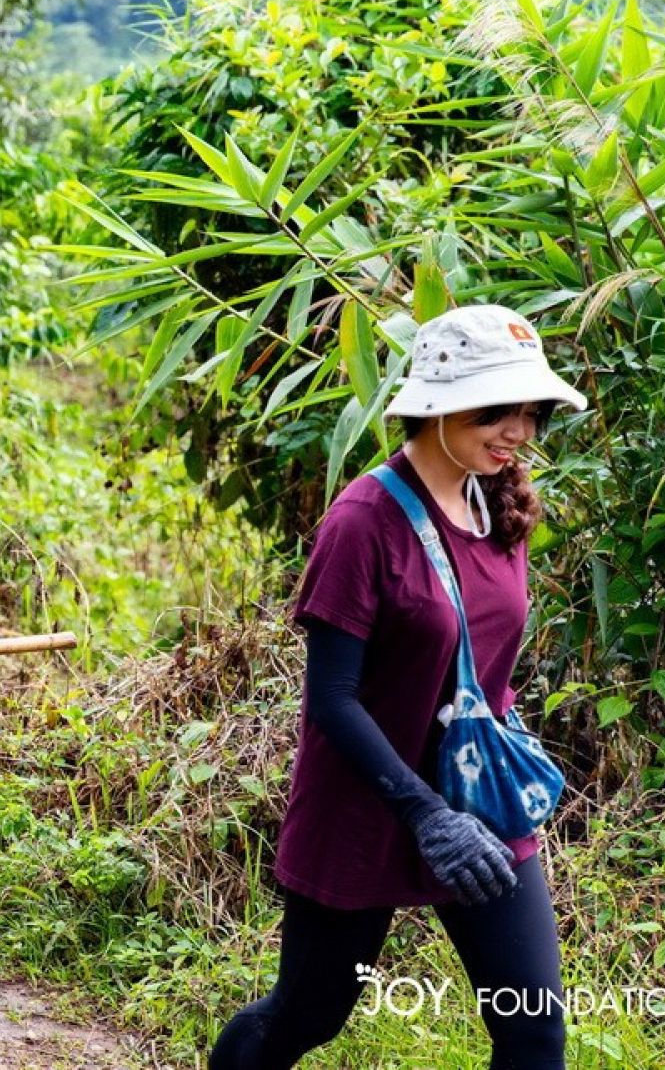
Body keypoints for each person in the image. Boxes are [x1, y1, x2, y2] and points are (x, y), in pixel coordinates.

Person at [208, 305, 583, 1070]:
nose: (520, 430)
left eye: (531, 411)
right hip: (369, 805)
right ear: (438, 401)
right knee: (307, 1016)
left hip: (481, 802)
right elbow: (333, 699)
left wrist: (475, 798)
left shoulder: (496, 500)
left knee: (534, 1027)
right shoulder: (362, 521)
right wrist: (424, 815)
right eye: (498, 409)